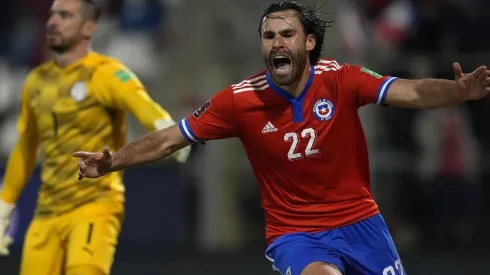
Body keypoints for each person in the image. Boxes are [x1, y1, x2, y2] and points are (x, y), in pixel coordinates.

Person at [74, 1, 490, 274]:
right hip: (298, 234)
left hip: (361, 223)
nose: (276, 42)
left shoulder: (342, 80)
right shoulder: (239, 101)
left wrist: (457, 91)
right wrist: (113, 161)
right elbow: (171, 139)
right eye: (269, 36)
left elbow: (413, 92)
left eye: (286, 34)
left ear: (308, 43)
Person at [0, 0, 191, 275]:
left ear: (88, 28)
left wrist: (169, 133)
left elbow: (142, 105)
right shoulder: (36, 82)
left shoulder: (106, 72)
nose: (54, 22)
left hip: (93, 205)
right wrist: (5, 204)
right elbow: (25, 147)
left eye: (65, 16)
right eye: (53, 16)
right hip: (48, 212)